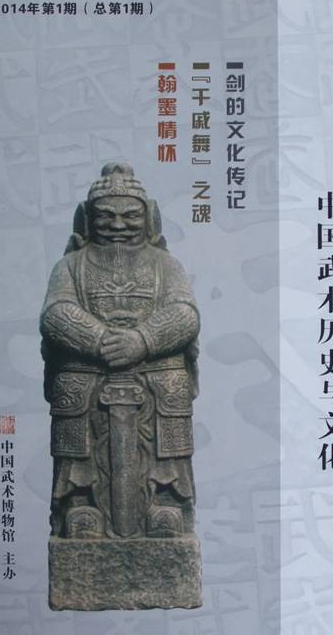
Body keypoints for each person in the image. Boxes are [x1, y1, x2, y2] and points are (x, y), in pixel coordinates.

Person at [40, 162, 200, 540]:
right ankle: (79, 501)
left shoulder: (166, 265)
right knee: (75, 402)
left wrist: (142, 340)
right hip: (90, 371)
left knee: (170, 396)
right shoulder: (70, 266)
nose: (117, 224)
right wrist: (99, 340)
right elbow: (55, 314)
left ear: (148, 218)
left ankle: (166, 497)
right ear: (88, 218)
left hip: (153, 374)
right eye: (105, 216)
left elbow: (186, 314)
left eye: (130, 216)